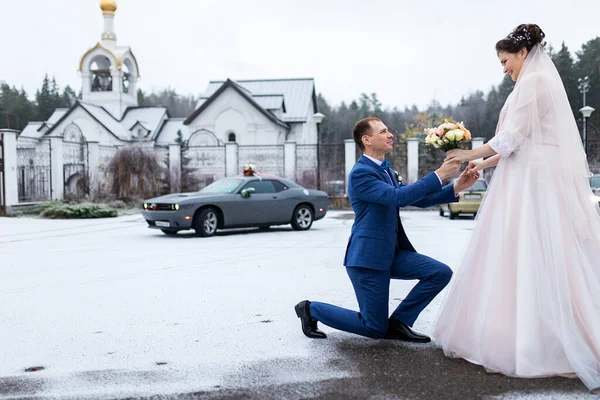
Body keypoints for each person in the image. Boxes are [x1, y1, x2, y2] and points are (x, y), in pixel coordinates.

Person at [433, 24, 600, 390]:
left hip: (536, 183)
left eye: (505, 60)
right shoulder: (527, 84)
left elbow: (511, 138)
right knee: (519, 253)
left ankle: (546, 340)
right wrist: (484, 163)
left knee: (540, 250)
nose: (503, 68)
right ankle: (523, 333)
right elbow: (517, 144)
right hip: (524, 174)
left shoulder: (537, 83)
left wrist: (471, 152)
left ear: (523, 54)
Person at [295, 117, 480, 342]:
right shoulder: (361, 173)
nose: (390, 134)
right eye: (383, 131)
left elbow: (417, 199)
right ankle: (311, 309)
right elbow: (398, 197)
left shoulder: (387, 172)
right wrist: (439, 174)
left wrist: (457, 186)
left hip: (391, 254)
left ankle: (400, 322)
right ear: (367, 139)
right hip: (368, 259)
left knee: (440, 273)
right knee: (374, 328)